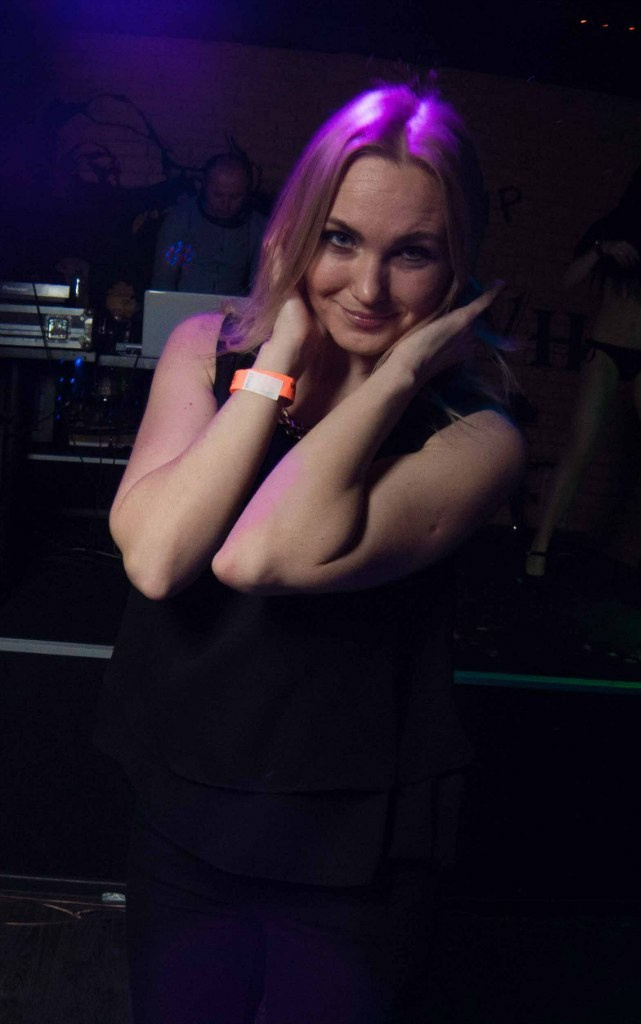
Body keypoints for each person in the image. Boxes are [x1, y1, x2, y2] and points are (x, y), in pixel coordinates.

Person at [97, 84, 525, 1024]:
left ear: (456, 263)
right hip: (187, 808)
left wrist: (397, 374)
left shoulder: (475, 436)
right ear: (292, 234)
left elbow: (261, 554)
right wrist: (279, 348)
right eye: (338, 239)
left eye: (411, 253)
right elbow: (160, 560)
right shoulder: (206, 351)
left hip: (352, 852)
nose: (367, 289)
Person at [526, 169, 641, 577]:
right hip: (607, 347)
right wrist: (601, 249)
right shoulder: (613, 229)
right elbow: (567, 280)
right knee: (579, 448)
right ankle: (539, 548)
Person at [150, 152, 267, 295]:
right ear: (204, 187)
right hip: (185, 303)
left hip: (234, 305)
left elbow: (260, 287)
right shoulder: (180, 219)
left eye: (235, 197)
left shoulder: (258, 227)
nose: (226, 204)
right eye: (218, 195)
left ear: (247, 193)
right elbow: (163, 279)